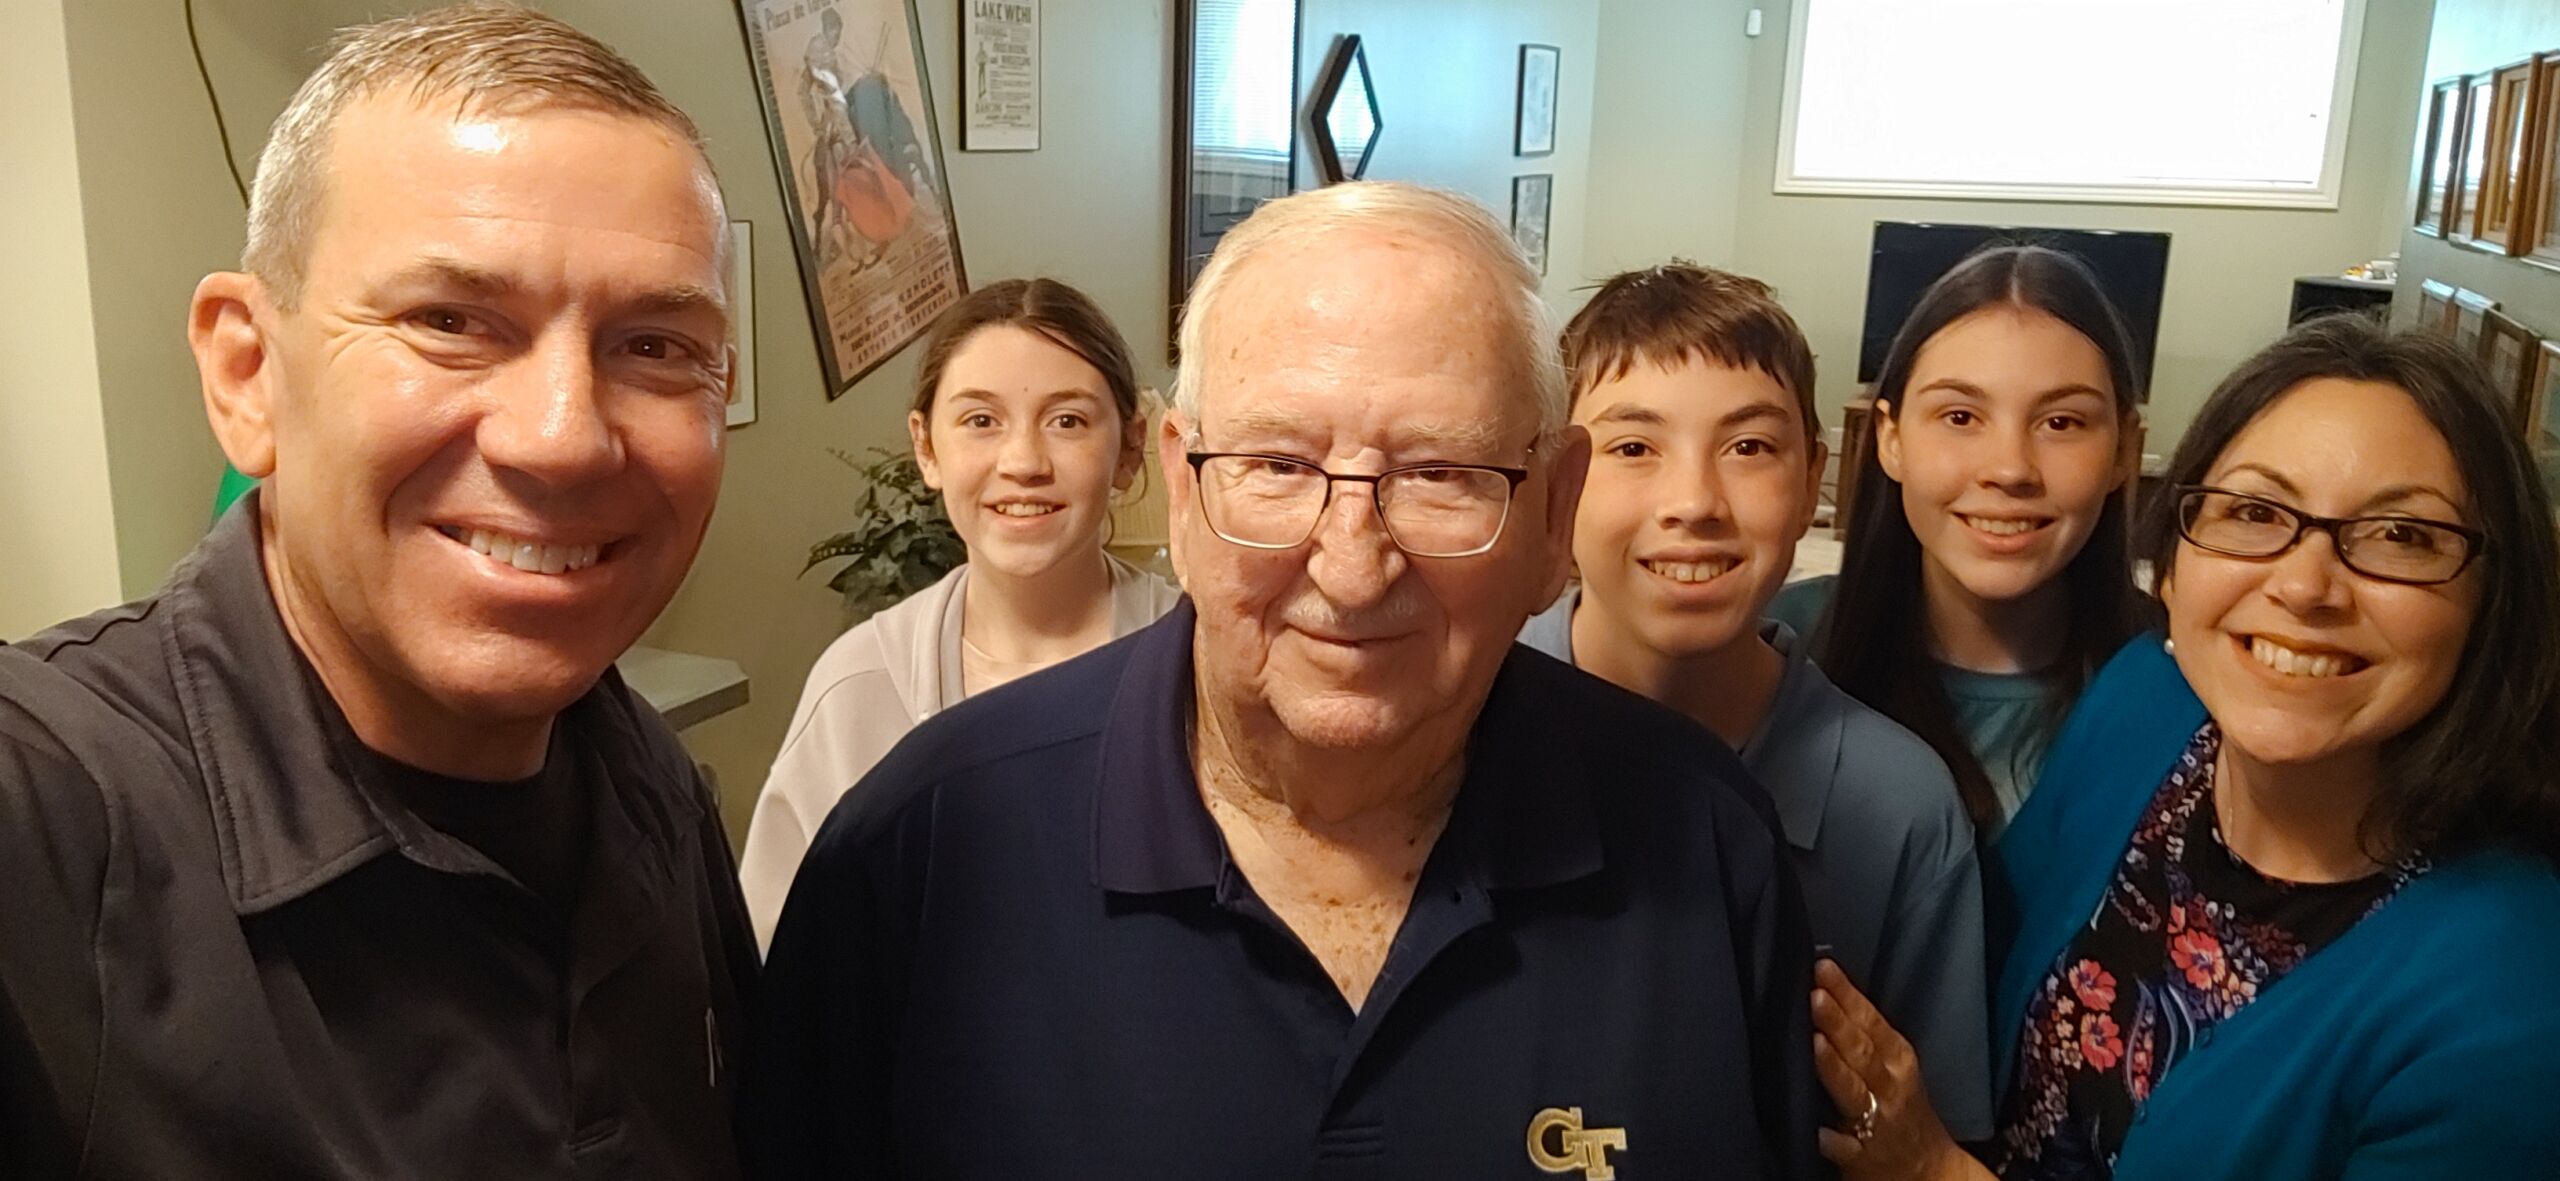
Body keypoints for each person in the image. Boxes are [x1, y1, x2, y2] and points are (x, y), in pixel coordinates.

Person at [743, 182, 1823, 1179]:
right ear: (1180, 491)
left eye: (1439, 473)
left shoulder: (1706, 845)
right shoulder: (920, 850)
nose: (1352, 569)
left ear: (1553, 511)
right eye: (1275, 465)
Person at [0, 8, 755, 1178]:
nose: (562, 438)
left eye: (655, 346)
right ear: (248, 372)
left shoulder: (646, 783)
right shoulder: (42, 833)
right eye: (448, 322)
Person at [1811, 316, 2560, 1180]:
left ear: (2493, 602)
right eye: (2255, 512)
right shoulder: (2146, 705)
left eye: (2400, 534)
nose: (2305, 585)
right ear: (2171, 564)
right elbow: (1981, 964)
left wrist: (1932, 1169)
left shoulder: (2512, 997)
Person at [1520, 261, 1991, 1140]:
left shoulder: (1900, 807)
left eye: (1749, 447)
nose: (1694, 502)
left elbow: (1933, 1138)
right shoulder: (1454, 721)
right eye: (1633, 448)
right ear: (1559, 480)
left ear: (1813, 479)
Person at [740, 278, 1181, 950]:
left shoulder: (1200, 663)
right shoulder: (861, 687)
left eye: (1068, 421)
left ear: (1128, 448)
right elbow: (782, 953)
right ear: (926, 448)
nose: (1023, 462)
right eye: (981, 421)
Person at [1769, 245, 2147, 840]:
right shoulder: (1773, 649)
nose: (2010, 468)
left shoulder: (2179, 688)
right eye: (1961, 417)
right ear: (1890, 438)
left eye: (2061, 423)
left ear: (2125, 449)